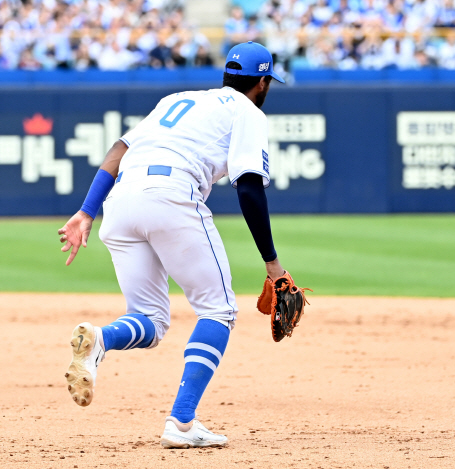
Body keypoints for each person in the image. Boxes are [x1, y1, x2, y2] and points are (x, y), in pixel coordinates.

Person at [58, 41, 289, 449]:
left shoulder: (177, 99)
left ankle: (101, 338)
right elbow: (250, 187)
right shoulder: (247, 111)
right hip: (172, 193)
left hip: (121, 202)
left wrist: (86, 211)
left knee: (150, 320)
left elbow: (118, 150)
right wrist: (273, 264)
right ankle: (182, 422)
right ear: (263, 82)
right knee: (218, 310)